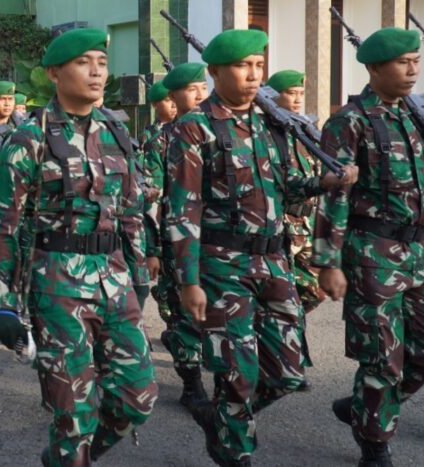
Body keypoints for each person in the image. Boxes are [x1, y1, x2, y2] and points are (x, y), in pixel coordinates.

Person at [167, 29, 357, 466]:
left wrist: (325, 181)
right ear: (215, 72)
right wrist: (188, 280)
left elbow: (287, 186)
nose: (253, 75)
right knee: (237, 373)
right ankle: (234, 450)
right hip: (222, 266)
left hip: (274, 261)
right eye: (242, 66)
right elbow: (183, 209)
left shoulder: (272, 123)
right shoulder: (194, 127)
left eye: (258, 65)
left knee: (287, 374)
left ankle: (222, 419)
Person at [0, 28, 158, 466]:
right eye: (83, 62)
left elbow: (131, 210)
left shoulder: (116, 131)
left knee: (137, 397)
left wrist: (139, 276)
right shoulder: (30, 138)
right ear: (54, 73)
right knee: (73, 413)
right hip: (57, 284)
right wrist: (2, 304)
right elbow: (4, 227)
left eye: (101, 62)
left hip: (114, 278)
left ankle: (68, 457)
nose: (96, 71)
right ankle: (71, 454)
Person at [312, 28, 424, 466]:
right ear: (375, 68)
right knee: (382, 360)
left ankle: (364, 406)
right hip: (372, 254)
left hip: (419, 253)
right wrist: (328, 261)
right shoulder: (348, 122)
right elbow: (334, 194)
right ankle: (374, 444)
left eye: (416, 61)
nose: (413, 70)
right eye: (402, 62)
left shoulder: (416, 117)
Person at [147, 64, 210, 411]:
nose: (199, 95)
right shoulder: (162, 139)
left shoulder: (218, 131)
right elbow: (152, 197)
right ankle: (192, 383)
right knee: (187, 314)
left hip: (217, 239)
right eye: (191, 89)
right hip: (178, 238)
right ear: (172, 96)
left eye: (203, 87)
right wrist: (152, 248)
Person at [267, 69, 325, 391]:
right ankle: (292, 361)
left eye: (300, 92)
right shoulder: (271, 134)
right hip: (284, 224)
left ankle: (274, 337)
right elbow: (286, 183)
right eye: (290, 93)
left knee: (314, 290)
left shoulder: (306, 132)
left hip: (308, 225)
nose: (298, 98)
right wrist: (322, 183)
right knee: (287, 295)